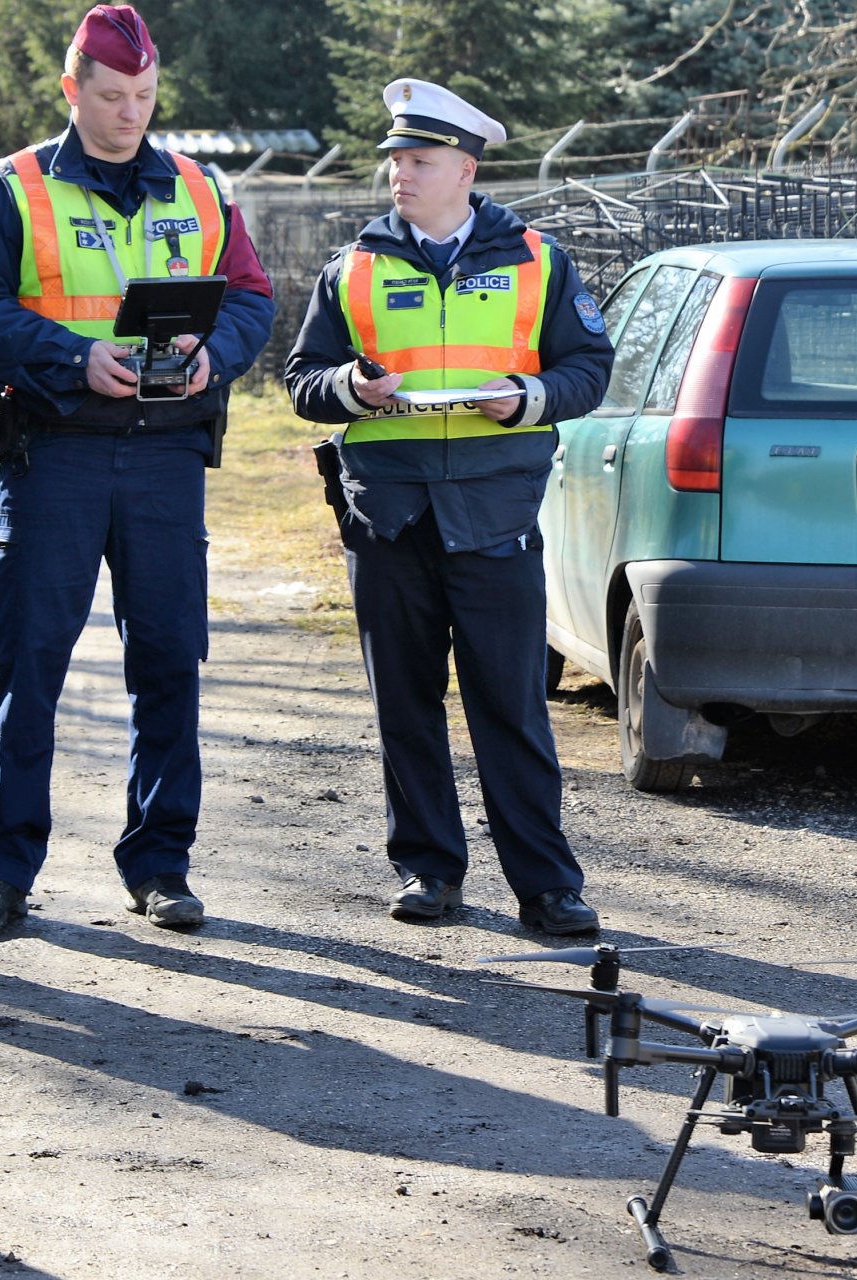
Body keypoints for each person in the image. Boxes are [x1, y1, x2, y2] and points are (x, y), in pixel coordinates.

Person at [0, 4, 274, 934]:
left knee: (169, 659)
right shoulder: (14, 189)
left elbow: (250, 296)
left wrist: (220, 355)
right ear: (73, 90)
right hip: (56, 454)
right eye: (114, 96)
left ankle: (161, 863)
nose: (133, 114)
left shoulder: (203, 189)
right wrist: (69, 355)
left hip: (167, 456)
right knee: (29, 660)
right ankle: (0, 867)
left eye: (146, 95)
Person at [284, 79, 614, 935]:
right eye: (395, 158)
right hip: (386, 521)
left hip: (494, 519)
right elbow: (303, 382)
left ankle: (546, 887)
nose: (400, 173)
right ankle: (428, 872)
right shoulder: (351, 267)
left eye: (419, 160)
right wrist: (351, 387)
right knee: (406, 704)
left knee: (511, 706)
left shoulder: (538, 262)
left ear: (464, 169)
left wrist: (529, 395)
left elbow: (588, 369)